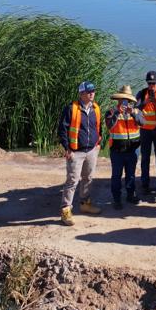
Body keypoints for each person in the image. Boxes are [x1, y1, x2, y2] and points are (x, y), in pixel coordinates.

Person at [58, 81, 103, 225]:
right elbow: (62, 130)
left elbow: (98, 127)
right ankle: (65, 211)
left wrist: (98, 144)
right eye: (89, 92)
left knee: (88, 178)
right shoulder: (71, 109)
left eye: (93, 91)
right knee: (72, 181)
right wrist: (67, 148)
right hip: (75, 152)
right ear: (81, 94)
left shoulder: (96, 108)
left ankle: (85, 204)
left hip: (91, 150)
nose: (92, 94)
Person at [105, 85, 144, 211]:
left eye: (127, 100)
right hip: (117, 151)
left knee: (131, 175)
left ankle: (130, 195)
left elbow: (143, 122)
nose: (125, 102)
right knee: (116, 176)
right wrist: (117, 113)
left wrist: (132, 113)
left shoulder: (136, 111)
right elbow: (109, 126)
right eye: (122, 99)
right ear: (118, 100)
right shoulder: (111, 111)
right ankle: (117, 199)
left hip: (132, 150)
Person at [135, 71, 156, 195]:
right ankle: (145, 183)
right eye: (149, 83)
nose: (151, 85)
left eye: (153, 83)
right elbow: (135, 109)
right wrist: (145, 103)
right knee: (145, 157)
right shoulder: (142, 93)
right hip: (145, 131)